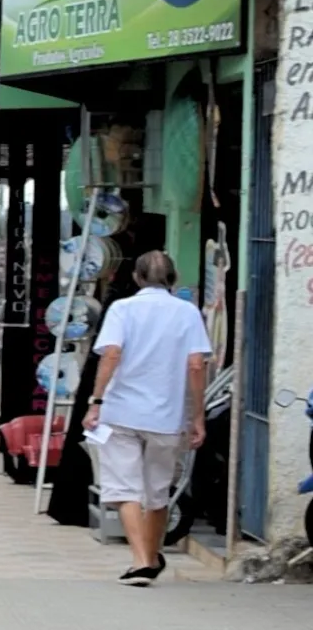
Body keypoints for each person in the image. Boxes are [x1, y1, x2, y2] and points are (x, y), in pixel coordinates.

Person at [84, 250, 211, 585]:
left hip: (121, 412)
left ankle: (141, 561)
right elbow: (196, 365)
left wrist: (96, 402)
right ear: (173, 280)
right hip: (166, 417)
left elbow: (112, 354)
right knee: (158, 492)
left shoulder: (122, 309)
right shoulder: (187, 313)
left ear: (137, 278)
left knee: (125, 489)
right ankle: (151, 558)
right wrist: (197, 416)